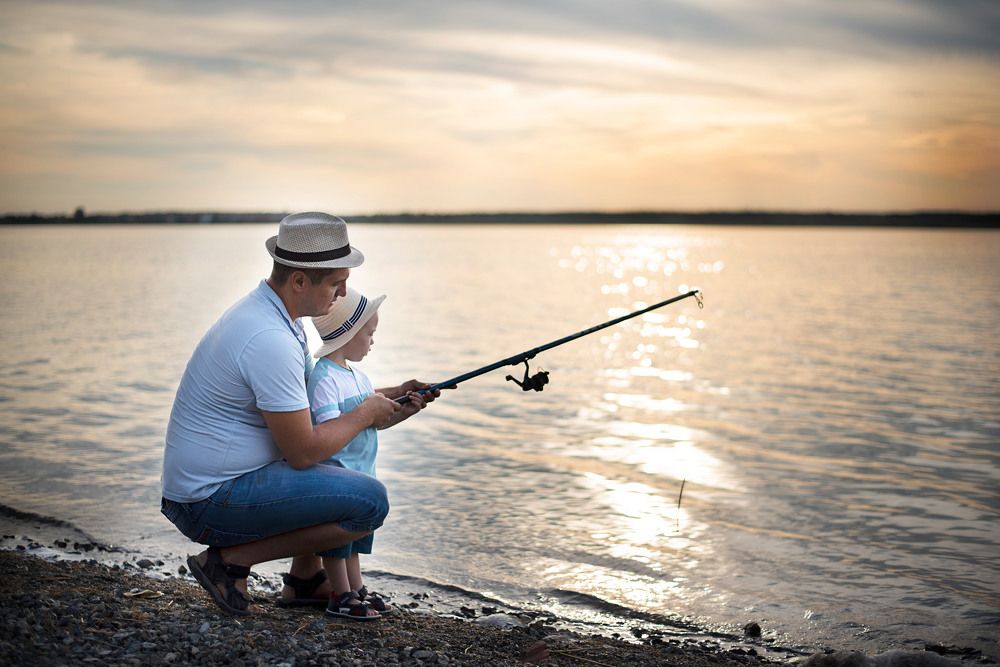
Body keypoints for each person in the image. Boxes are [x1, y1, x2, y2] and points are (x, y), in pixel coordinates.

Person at [160, 212, 438, 616]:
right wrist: (364, 414)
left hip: (212, 487)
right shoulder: (269, 338)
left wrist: (389, 396)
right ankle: (227, 562)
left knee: (336, 471)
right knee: (368, 503)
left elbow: (314, 408)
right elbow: (303, 452)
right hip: (208, 501)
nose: (342, 294)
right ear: (299, 281)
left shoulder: (275, 317)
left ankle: (306, 581)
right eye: (335, 283)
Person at [294, 287, 419, 620]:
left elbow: (372, 423)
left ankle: (356, 588)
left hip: (363, 474)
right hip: (337, 477)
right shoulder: (324, 379)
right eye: (369, 333)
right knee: (338, 543)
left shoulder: (359, 378)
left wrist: (405, 407)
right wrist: (365, 411)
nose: (372, 340)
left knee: (356, 540)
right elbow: (332, 429)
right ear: (349, 334)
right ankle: (340, 594)